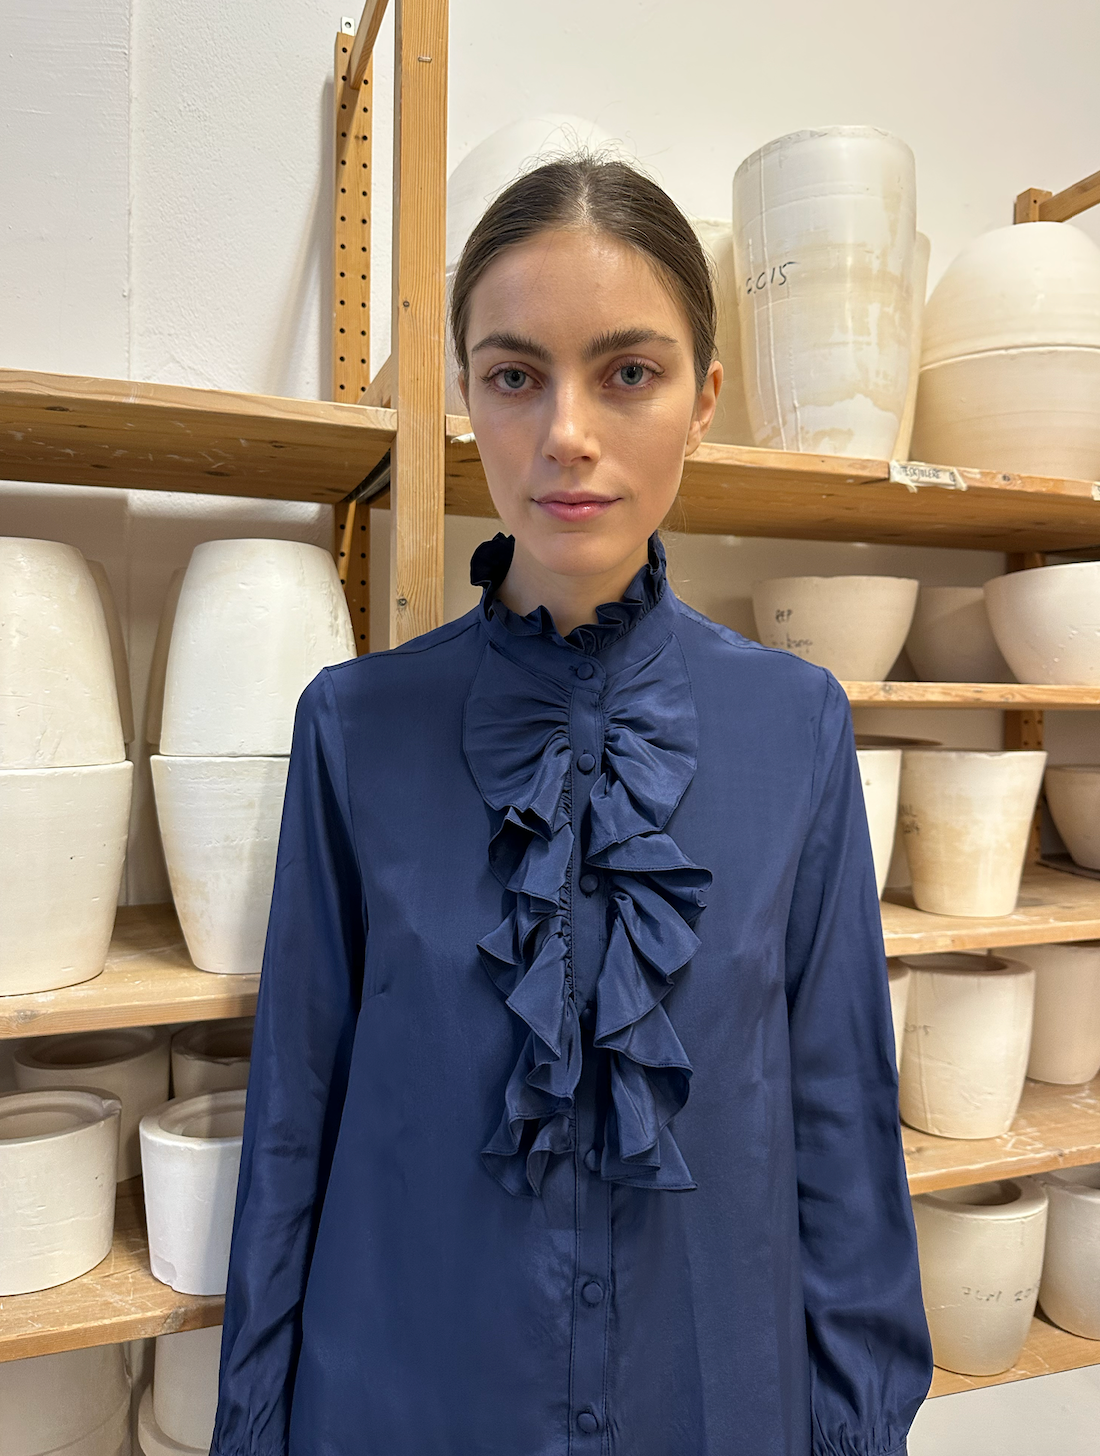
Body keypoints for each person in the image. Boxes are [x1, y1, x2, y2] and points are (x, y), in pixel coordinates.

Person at [211, 154, 932, 1456]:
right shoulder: (352, 730)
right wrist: (252, 1423)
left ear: (704, 400)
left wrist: (858, 1425)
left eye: (628, 372)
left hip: (709, 1403)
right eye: (515, 375)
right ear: (465, 394)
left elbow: (840, 1118)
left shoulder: (798, 728)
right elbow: (292, 1120)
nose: (567, 433)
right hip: (407, 1406)